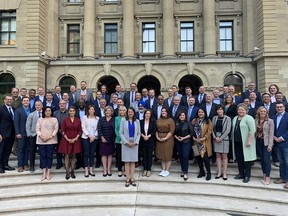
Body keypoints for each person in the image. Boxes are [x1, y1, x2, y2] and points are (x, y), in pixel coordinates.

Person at [232, 103, 256, 183]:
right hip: (237, 142)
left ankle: (247, 175)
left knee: (247, 160)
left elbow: (252, 130)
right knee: (239, 159)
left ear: (246, 110)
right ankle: (241, 173)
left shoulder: (249, 118)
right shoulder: (235, 118)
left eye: (242, 110)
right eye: (239, 110)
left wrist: (249, 140)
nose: (240, 111)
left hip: (246, 143)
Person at [58, 106, 82, 180]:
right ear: (68, 112)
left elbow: (80, 131)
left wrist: (75, 138)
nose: (72, 112)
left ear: (75, 112)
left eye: (73, 111)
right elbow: (62, 130)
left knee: (74, 156)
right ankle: (67, 172)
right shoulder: (65, 120)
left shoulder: (78, 120)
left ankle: (72, 171)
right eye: (70, 111)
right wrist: (67, 139)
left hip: (75, 139)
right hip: (66, 139)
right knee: (67, 156)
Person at [120, 107, 141, 187]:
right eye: (129, 112)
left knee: (133, 161)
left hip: (134, 144)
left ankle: (132, 178)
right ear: (127, 113)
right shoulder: (123, 121)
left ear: (134, 113)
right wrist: (126, 142)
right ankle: (127, 179)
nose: (130, 113)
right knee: (127, 161)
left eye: (132, 112)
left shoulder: (137, 121)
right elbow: (121, 133)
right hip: (126, 144)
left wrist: (136, 142)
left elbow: (139, 133)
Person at [36, 107, 58, 181]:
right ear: (44, 112)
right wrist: (41, 136)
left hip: (51, 141)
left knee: (49, 156)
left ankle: (48, 172)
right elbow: (37, 129)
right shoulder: (40, 119)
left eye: (49, 111)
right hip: (41, 141)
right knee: (42, 156)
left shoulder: (54, 119)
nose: (48, 112)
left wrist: (50, 137)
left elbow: (56, 129)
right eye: (46, 111)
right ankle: (43, 173)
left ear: (51, 112)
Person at [192, 108, 213, 181]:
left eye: (202, 112)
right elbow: (191, 130)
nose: (200, 113)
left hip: (204, 142)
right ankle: (201, 171)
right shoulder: (194, 121)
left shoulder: (208, 121)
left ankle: (209, 172)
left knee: (205, 158)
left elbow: (210, 130)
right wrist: (193, 138)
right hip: (195, 142)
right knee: (198, 158)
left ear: (204, 113)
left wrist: (204, 138)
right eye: (199, 112)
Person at [255, 106, 274, 185]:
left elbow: (271, 133)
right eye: (261, 111)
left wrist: (270, 145)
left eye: (264, 111)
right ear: (258, 112)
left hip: (266, 143)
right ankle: (264, 174)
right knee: (262, 160)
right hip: (258, 142)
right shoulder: (256, 121)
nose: (263, 113)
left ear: (266, 113)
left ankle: (268, 178)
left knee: (266, 160)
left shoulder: (270, 121)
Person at [212, 105, 231, 180]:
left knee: (224, 156)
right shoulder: (214, 118)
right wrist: (214, 137)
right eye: (218, 110)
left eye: (221, 109)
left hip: (224, 139)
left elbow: (228, 130)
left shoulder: (228, 118)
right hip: (216, 138)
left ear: (223, 110)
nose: (219, 111)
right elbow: (212, 128)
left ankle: (225, 173)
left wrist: (221, 138)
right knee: (218, 156)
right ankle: (219, 172)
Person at [155, 107, 175, 177]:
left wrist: (165, 138)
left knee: (167, 154)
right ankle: (163, 169)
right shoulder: (158, 120)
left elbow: (172, 131)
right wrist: (157, 137)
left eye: (165, 111)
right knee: (162, 154)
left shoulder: (170, 120)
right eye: (162, 111)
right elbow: (156, 130)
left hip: (168, 139)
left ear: (167, 112)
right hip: (159, 139)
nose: (163, 112)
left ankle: (167, 170)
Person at [273, 101, 288, 189]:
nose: (279, 108)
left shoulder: (287, 116)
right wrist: (274, 137)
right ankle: (283, 178)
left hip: (285, 142)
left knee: (287, 161)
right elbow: (272, 129)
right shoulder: (274, 117)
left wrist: (281, 138)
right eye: (278, 107)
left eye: (281, 107)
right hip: (277, 143)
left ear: (284, 107)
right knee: (281, 161)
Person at [174, 111, 193, 181]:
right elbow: (174, 133)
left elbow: (191, 133)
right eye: (180, 115)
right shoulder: (176, 123)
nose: (182, 116)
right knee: (181, 156)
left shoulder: (188, 123)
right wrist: (177, 138)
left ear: (185, 116)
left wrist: (183, 138)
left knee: (185, 156)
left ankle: (185, 172)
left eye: (183, 115)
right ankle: (182, 170)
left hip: (186, 142)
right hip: (178, 142)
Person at [81, 105, 99, 178]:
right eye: (90, 109)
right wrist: (89, 135)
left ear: (94, 110)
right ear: (88, 110)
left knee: (92, 154)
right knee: (86, 153)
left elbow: (98, 128)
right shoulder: (85, 117)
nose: (91, 110)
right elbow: (83, 127)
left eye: (92, 109)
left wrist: (94, 136)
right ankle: (86, 169)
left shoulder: (97, 118)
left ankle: (91, 169)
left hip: (94, 138)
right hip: (86, 137)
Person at [14, 96, 31, 172]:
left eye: (27, 100)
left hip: (29, 133)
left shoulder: (31, 110)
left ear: (29, 102)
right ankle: (20, 165)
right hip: (21, 133)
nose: (26, 102)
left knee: (27, 149)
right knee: (21, 149)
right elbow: (16, 122)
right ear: (22, 102)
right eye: (24, 100)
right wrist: (17, 132)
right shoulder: (18, 110)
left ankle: (25, 164)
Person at [26, 100, 43, 173]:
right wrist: (29, 133)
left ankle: (42, 165)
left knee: (42, 151)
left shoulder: (45, 114)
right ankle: (32, 166)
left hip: (42, 135)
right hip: (33, 135)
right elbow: (28, 124)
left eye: (39, 105)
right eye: (36, 105)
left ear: (42, 106)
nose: (37, 106)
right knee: (32, 151)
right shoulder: (31, 114)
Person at [97, 106, 115, 177]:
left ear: (111, 112)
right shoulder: (101, 119)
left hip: (111, 139)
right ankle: (105, 169)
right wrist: (101, 137)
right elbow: (99, 129)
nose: (108, 112)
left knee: (110, 154)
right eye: (106, 111)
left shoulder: (114, 119)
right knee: (104, 154)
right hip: (103, 139)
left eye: (109, 111)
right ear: (104, 112)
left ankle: (108, 169)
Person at [0, 95, 16, 173]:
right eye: (7, 99)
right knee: (1, 150)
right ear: (4, 100)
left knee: (8, 150)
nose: (9, 101)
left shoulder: (14, 109)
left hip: (12, 133)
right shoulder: (1, 109)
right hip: (3, 134)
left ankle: (5, 164)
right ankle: (0, 166)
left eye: (11, 99)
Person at [140, 109, 156, 177]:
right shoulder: (141, 122)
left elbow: (154, 131)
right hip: (143, 140)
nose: (147, 115)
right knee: (144, 155)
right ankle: (145, 169)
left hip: (150, 140)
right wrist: (143, 136)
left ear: (150, 115)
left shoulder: (153, 122)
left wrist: (148, 136)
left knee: (149, 155)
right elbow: (139, 130)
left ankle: (149, 169)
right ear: (144, 114)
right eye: (146, 113)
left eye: (149, 114)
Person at [115, 106, 127, 177]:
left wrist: (125, 138)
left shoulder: (127, 118)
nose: (122, 112)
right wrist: (121, 137)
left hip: (126, 140)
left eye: (123, 110)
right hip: (118, 140)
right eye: (121, 110)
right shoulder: (116, 118)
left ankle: (125, 169)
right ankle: (119, 170)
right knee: (119, 155)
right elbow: (116, 129)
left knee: (125, 155)